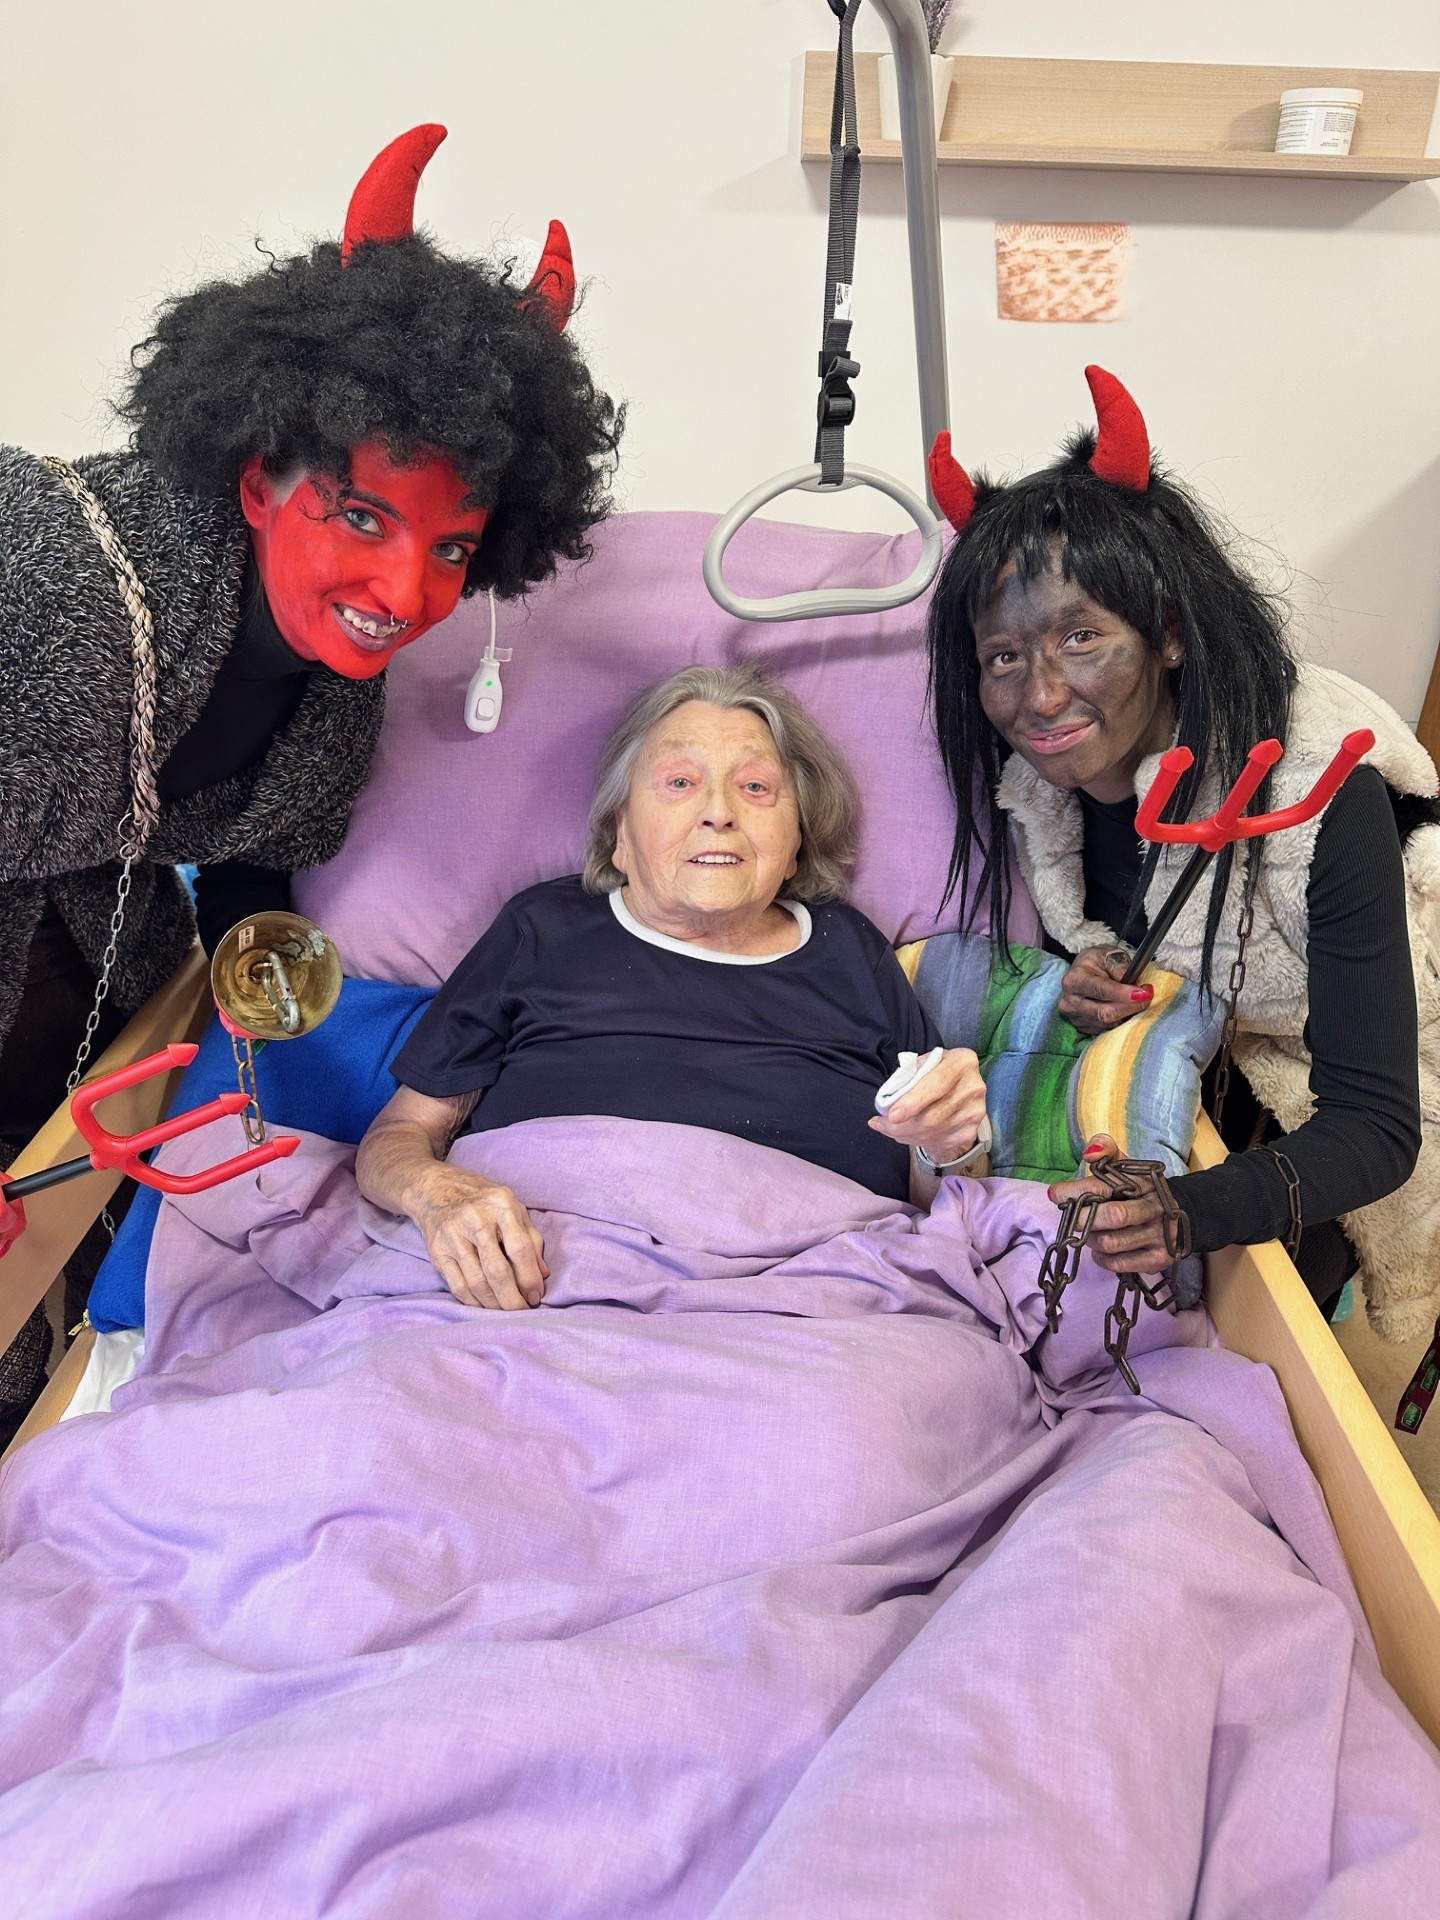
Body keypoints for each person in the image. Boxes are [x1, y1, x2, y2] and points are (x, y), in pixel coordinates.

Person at [0, 123, 622, 1436]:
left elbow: (245, 859)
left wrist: (273, 1009)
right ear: (257, 479)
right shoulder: (57, 587)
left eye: (450, 547)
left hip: (84, 980)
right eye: (362, 517)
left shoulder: (334, 685)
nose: (405, 592)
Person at [923, 365, 1440, 1344]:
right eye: (1003, 657)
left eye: (1082, 637)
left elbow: (1377, 1124)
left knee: (1225, 1324)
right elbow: (1135, 941)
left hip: (1329, 1101)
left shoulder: (1321, 792)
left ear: (1166, 634)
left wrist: (1187, 1212)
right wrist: (1090, 976)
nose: (1039, 697)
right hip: (1192, 1070)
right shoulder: (1040, 791)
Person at [357, 666, 989, 1310]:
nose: (719, 813)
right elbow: (397, 1135)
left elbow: (943, 1200)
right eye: (680, 783)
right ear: (620, 833)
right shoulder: (540, 928)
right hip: (537, 1289)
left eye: (755, 787)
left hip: (810, 1302)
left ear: (798, 841)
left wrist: (949, 1144)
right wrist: (437, 1196)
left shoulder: (850, 948)